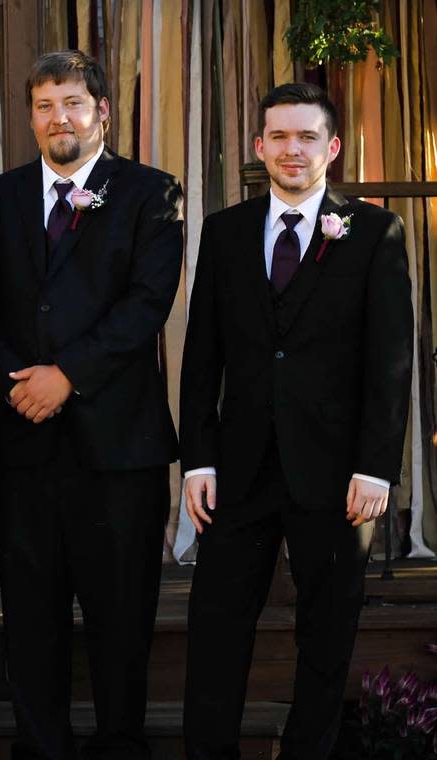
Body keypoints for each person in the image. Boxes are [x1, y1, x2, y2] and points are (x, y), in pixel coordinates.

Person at [180, 82, 412, 760]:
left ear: (331, 148)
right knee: (215, 630)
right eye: (278, 136)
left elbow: (391, 358)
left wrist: (376, 465)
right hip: (238, 471)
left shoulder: (373, 232)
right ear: (259, 147)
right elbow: (202, 358)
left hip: (340, 475)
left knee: (327, 633)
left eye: (306, 136)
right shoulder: (224, 232)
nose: (292, 148)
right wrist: (198, 459)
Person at [0, 50, 183, 759]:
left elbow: (147, 303)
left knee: (121, 616)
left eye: (71, 102)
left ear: (101, 111)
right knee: (31, 618)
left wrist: (66, 376)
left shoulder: (151, 193)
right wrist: (17, 381)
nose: (57, 117)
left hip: (119, 446)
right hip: (22, 442)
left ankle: (120, 745)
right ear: (30, 116)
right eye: (43, 105)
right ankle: (41, 747)